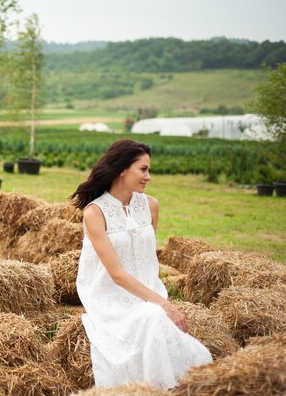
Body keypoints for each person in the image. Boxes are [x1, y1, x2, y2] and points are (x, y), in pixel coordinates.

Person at [70, 139, 211, 389]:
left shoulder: (151, 205)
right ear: (123, 169)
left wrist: (157, 299)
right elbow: (116, 274)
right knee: (154, 315)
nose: (149, 176)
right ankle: (159, 389)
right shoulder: (95, 212)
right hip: (111, 300)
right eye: (143, 169)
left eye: (148, 170)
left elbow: (147, 258)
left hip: (148, 293)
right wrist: (165, 305)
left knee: (175, 335)